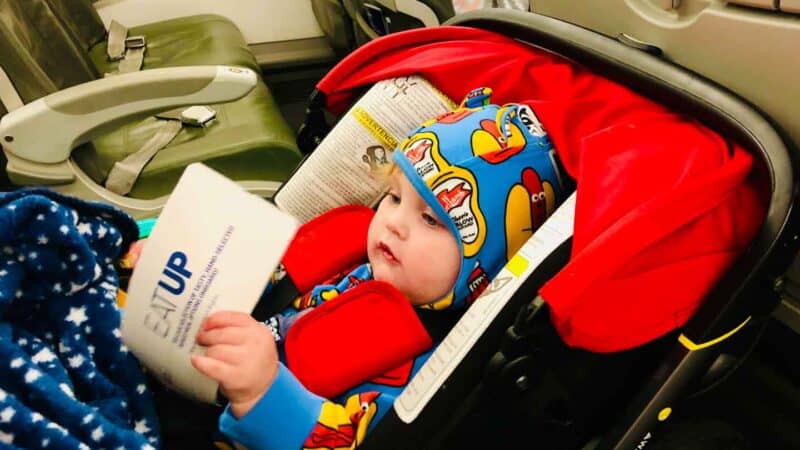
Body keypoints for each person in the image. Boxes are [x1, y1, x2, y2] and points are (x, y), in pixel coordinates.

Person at [190, 88, 567, 449]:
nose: (394, 222)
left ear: (484, 267)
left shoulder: (429, 370)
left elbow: (357, 439)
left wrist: (263, 394)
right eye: (394, 196)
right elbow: (268, 276)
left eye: (432, 220)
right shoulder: (354, 257)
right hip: (198, 361)